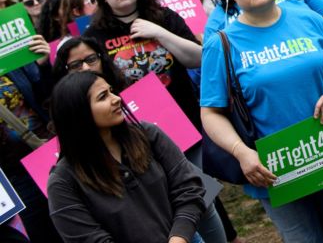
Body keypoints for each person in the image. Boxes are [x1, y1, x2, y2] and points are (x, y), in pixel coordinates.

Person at [200, 0, 323, 243]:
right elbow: (211, 113)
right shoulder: (221, 44)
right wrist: (242, 153)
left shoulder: (309, 20)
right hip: (273, 167)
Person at [50, 38, 234, 243]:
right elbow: (86, 238)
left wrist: (179, 237)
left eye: (112, 91)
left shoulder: (147, 134)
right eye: (103, 97)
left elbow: (189, 187)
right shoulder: (63, 181)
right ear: (78, 112)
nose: (116, 99)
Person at [83, 0, 203, 129]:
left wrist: (160, 33)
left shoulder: (165, 17)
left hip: (185, 112)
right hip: (134, 123)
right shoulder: (94, 35)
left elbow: (199, 58)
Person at [0, 33, 59, 243]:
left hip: (49, 155)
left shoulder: (8, 55)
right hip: (13, 176)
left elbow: (48, 98)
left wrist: (42, 66)